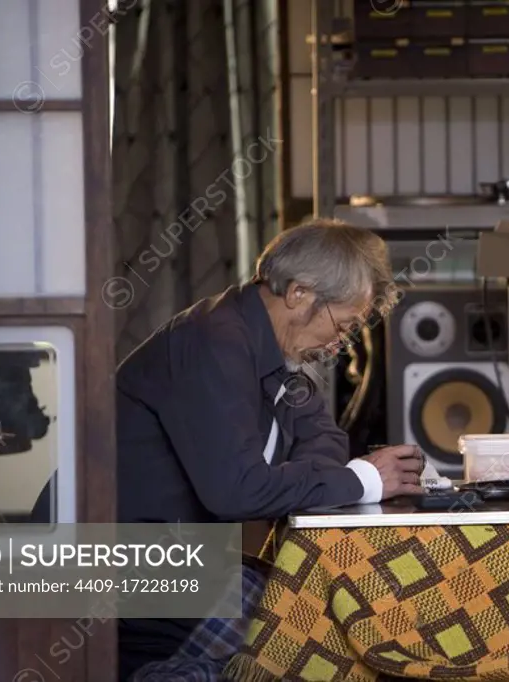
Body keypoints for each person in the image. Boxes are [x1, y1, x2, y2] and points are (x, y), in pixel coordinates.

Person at [115, 219, 425, 678]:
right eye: (344, 323)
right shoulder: (214, 341)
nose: (342, 342)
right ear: (299, 293)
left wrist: (310, 481)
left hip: (176, 561)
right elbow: (236, 491)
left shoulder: (269, 347)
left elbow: (324, 436)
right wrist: (363, 479)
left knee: (325, 613)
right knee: (316, 632)